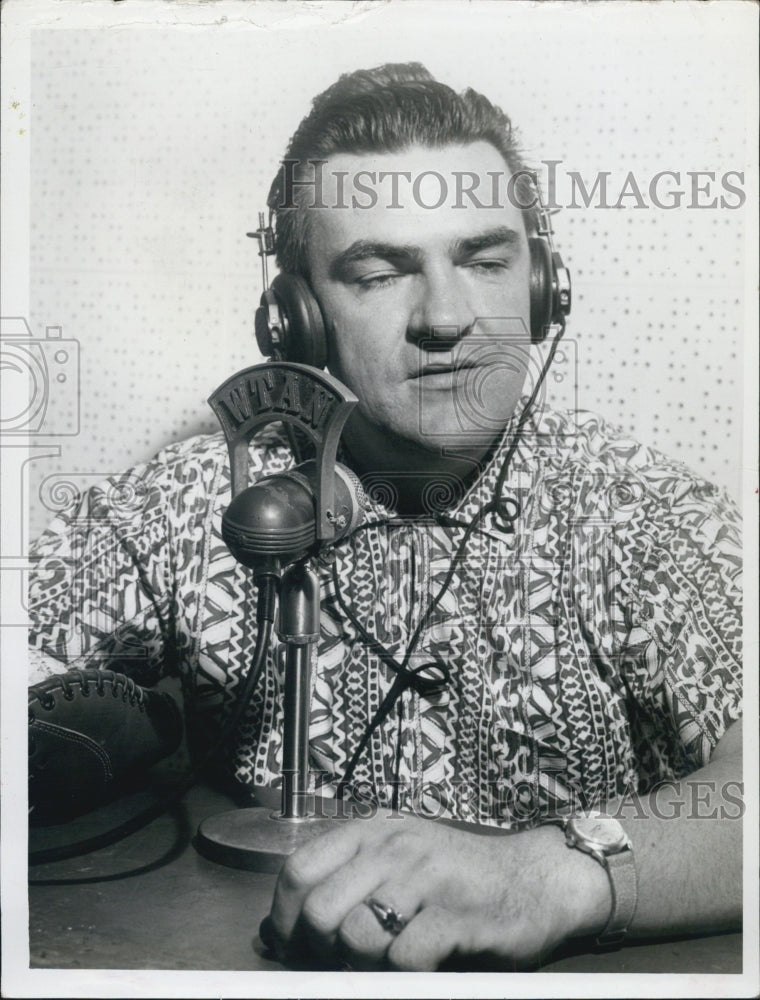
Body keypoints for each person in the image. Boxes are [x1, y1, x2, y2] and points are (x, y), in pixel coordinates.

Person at [28, 63, 742, 971]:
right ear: (295, 320)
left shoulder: (655, 513)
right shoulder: (188, 502)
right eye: (378, 273)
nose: (447, 318)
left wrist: (548, 876)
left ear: (541, 286)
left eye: (485, 261)